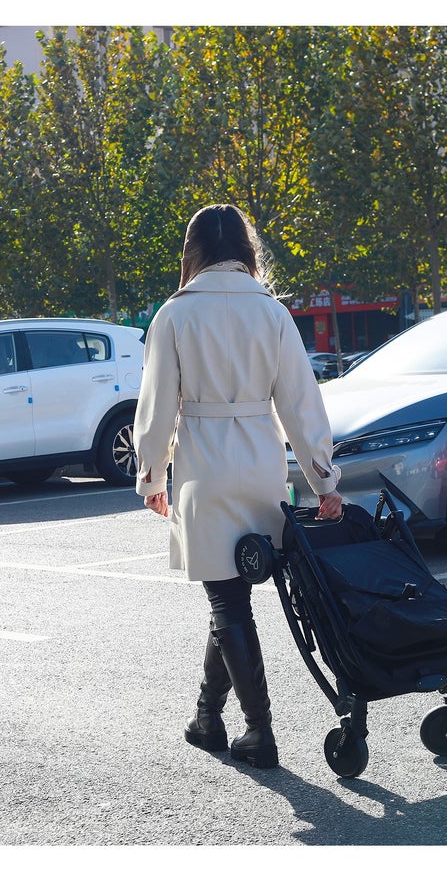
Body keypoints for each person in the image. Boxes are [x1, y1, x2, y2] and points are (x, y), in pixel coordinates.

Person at [134, 203, 342, 770]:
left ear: (192, 250)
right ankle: (208, 717)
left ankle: (260, 732)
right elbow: (302, 404)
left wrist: (152, 474)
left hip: (204, 468)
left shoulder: (174, 316)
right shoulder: (272, 313)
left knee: (227, 600)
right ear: (246, 249)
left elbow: (155, 411)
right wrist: (324, 478)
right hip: (260, 465)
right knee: (233, 599)